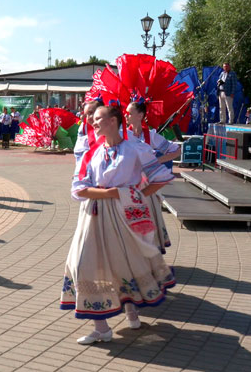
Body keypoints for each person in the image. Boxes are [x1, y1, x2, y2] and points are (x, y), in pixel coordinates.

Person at [61, 105, 175, 344]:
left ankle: (130, 310)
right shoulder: (91, 152)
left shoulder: (134, 148)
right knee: (83, 263)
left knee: (125, 262)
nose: (93, 121)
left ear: (114, 121)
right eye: (92, 118)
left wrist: (136, 196)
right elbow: (78, 189)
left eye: (99, 118)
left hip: (124, 215)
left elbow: (161, 177)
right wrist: (112, 193)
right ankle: (101, 328)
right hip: (93, 215)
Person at [125, 100, 181, 254]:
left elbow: (176, 150)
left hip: (149, 187)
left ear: (140, 115)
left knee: (148, 219)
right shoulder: (124, 135)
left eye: (129, 113)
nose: (126, 115)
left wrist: (156, 161)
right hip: (131, 186)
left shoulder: (150, 136)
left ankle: (149, 255)